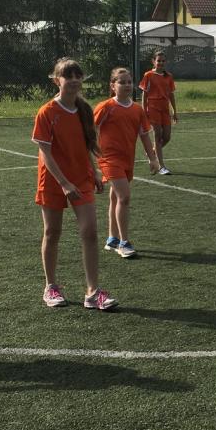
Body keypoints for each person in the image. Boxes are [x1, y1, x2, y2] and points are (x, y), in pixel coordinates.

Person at [34, 58, 117, 312]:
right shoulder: (47, 112)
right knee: (52, 232)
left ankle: (93, 292)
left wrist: (93, 171)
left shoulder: (84, 110)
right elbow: (45, 152)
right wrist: (64, 183)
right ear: (56, 80)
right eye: (67, 76)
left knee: (90, 232)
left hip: (80, 178)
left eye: (77, 76)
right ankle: (51, 286)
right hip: (53, 179)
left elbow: (85, 146)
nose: (73, 80)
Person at [95, 67, 161, 259]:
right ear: (112, 86)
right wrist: (90, 156)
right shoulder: (105, 107)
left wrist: (153, 158)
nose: (126, 85)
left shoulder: (137, 110)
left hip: (127, 159)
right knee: (124, 197)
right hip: (109, 159)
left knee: (116, 197)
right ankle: (124, 243)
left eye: (129, 82)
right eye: (121, 82)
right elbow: (90, 131)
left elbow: (144, 135)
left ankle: (112, 239)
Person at [139, 50, 177, 175]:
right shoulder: (148, 75)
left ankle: (152, 151)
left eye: (163, 61)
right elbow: (144, 94)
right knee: (158, 135)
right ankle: (161, 166)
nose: (161, 63)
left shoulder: (169, 76)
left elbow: (171, 94)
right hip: (153, 107)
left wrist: (174, 111)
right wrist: (144, 111)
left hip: (165, 109)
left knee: (167, 137)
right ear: (153, 62)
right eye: (158, 60)